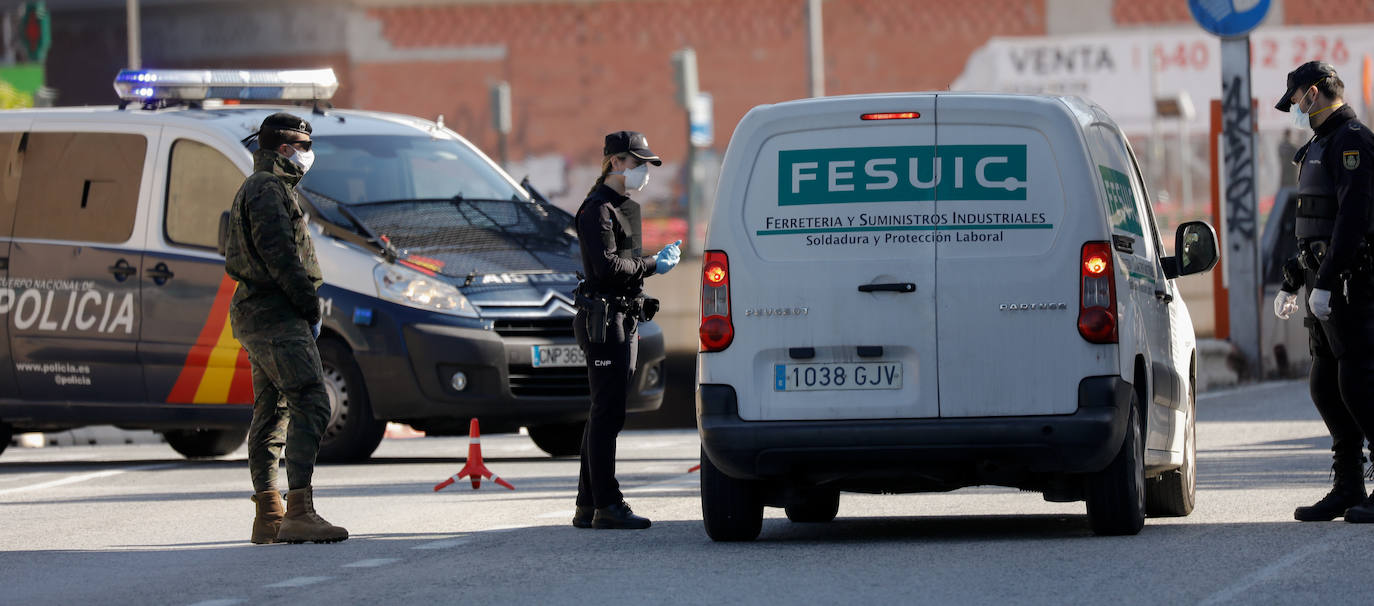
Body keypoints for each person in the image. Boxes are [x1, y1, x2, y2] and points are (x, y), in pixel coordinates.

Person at [225, 112, 348, 543]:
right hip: (276, 315)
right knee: (313, 402)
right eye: (303, 147)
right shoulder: (267, 190)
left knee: (272, 410)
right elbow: (282, 258)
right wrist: (310, 308)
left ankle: (269, 514)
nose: (307, 156)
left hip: (259, 313)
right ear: (283, 149)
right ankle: (299, 509)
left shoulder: (259, 188)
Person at [1273, 61, 1374, 523]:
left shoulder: (1352, 140)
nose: (1294, 108)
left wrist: (1330, 280)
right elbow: (1317, 223)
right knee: (1325, 385)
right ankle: (1348, 485)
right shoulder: (1318, 144)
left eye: (1295, 99)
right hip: (1322, 283)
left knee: (1358, 383)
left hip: (1351, 283)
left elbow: (1353, 220)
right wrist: (1295, 277)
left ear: (1313, 92)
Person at [570, 131, 680, 530]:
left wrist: (646, 273)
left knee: (606, 412)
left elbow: (625, 267)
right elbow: (607, 268)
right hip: (605, 320)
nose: (643, 172)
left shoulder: (624, 208)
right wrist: (654, 264)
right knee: (607, 413)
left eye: (646, 165)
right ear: (615, 163)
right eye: (637, 164)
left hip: (624, 317)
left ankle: (588, 503)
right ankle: (608, 504)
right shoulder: (596, 209)